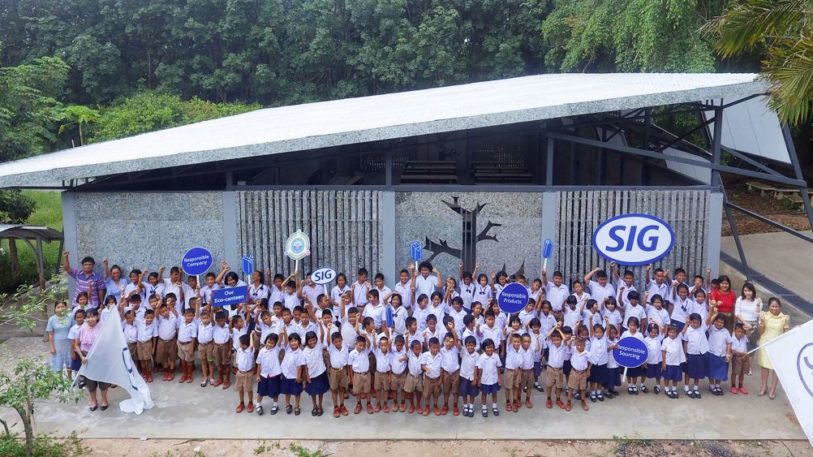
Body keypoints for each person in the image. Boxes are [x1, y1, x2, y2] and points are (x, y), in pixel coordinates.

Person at [75, 309, 109, 411]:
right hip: (87, 358)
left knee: (103, 381)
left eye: (93, 316)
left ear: (97, 317)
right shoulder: (82, 329)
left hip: (100, 358)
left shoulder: (103, 327)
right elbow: (76, 345)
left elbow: (108, 342)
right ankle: (93, 400)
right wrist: (82, 357)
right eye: (88, 317)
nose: (90, 319)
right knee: (90, 381)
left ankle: (104, 400)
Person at [757, 297, 790, 399]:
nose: (775, 308)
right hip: (765, 344)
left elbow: (786, 333)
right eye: (772, 306)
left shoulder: (785, 318)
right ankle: (763, 386)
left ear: (780, 307)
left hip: (778, 345)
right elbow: (760, 332)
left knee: (776, 368)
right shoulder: (764, 315)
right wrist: (761, 322)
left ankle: (773, 389)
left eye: (777, 306)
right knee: (765, 366)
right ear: (769, 306)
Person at [706, 310, 733, 396]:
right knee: (711, 371)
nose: (719, 323)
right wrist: (715, 314)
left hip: (722, 355)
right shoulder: (711, 328)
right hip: (712, 353)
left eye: (721, 322)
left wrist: (728, 354)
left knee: (720, 372)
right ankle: (711, 385)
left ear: (724, 324)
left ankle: (717, 385)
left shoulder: (726, 331)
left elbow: (729, 343)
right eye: (717, 321)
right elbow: (709, 322)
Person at [682, 313, 709, 399]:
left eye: (698, 323)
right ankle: (686, 387)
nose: (696, 325)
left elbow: (708, 320)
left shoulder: (702, 329)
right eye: (694, 322)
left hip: (700, 354)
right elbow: (685, 342)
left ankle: (696, 387)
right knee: (688, 371)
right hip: (690, 354)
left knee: (698, 371)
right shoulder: (688, 330)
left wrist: (712, 309)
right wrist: (685, 354)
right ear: (690, 322)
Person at [256, 333, 282, 416]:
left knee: (275, 391)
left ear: (275, 344)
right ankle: (258, 404)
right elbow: (259, 364)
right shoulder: (262, 351)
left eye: (272, 343)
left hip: (274, 375)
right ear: (265, 341)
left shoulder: (276, 349)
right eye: (268, 342)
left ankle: (275, 405)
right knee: (261, 391)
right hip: (263, 375)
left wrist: (282, 333)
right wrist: (257, 375)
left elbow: (280, 340)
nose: (270, 344)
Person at [475, 338, 502, 417]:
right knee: (484, 394)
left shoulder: (496, 356)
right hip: (484, 380)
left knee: (494, 393)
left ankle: (494, 407)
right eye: (488, 347)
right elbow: (480, 369)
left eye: (491, 347)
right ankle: (484, 407)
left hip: (494, 379)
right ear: (484, 349)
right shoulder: (482, 357)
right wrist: (479, 380)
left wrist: (499, 378)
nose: (490, 349)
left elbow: (498, 367)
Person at [281, 332, 306, 415]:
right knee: (287, 392)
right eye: (291, 341)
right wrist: (284, 332)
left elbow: (299, 366)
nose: (293, 343)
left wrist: (298, 377)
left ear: (299, 342)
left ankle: (297, 406)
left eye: (295, 341)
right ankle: (288, 405)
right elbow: (285, 340)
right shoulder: (288, 348)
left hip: (294, 377)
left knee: (297, 392)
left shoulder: (300, 353)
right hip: (286, 374)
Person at [47, 300, 73, 377]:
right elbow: (50, 334)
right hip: (57, 344)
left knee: (69, 361)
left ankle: (69, 378)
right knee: (58, 362)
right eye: (58, 307)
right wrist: (51, 347)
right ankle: (59, 380)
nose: (61, 308)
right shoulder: (52, 319)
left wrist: (74, 345)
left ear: (66, 307)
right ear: (55, 309)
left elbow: (74, 330)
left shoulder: (70, 317)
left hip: (68, 343)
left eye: (62, 307)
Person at [349, 335, 372, 414]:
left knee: (367, 390)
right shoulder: (352, 353)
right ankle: (359, 404)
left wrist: (366, 337)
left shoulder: (366, 350)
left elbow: (369, 344)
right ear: (356, 344)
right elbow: (350, 366)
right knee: (357, 391)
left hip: (366, 374)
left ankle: (368, 403)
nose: (362, 347)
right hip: (357, 375)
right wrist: (351, 377)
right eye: (360, 345)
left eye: (363, 345)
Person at [661, 325, 685, 399]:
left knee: (676, 377)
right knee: (667, 377)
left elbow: (683, 331)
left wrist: (687, 324)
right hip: (668, 362)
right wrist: (664, 362)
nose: (672, 334)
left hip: (677, 363)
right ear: (668, 332)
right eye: (670, 332)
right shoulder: (665, 340)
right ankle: (667, 389)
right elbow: (663, 352)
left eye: (674, 332)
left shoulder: (679, 339)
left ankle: (674, 389)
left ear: (677, 333)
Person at [420, 337, 443, 416]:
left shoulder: (440, 356)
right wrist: (425, 368)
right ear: (429, 347)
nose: (436, 349)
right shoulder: (425, 355)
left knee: (436, 394)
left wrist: (441, 379)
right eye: (434, 348)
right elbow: (422, 365)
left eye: (437, 347)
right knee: (427, 394)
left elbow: (441, 368)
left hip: (437, 379)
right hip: (428, 379)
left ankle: (435, 406)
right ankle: (427, 407)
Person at [458, 335, 480, 418]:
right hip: (464, 376)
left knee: (472, 393)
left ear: (475, 345)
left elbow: (476, 367)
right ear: (465, 346)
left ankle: (471, 406)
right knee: (464, 393)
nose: (470, 347)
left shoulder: (477, 355)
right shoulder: (463, 352)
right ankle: (465, 406)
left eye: (471, 345)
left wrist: (475, 378)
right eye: (468, 345)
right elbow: (458, 344)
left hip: (472, 377)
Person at [568, 337, 591, 412]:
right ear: (576, 345)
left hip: (583, 373)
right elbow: (568, 346)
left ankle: (583, 401)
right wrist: (571, 340)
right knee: (571, 387)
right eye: (578, 345)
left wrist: (588, 370)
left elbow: (592, 361)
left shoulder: (587, 353)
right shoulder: (574, 350)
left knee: (582, 388)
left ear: (584, 345)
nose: (579, 347)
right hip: (574, 371)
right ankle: (569, 402)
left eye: (581, 345)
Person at [234, 333, 255, 413]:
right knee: (240, 389)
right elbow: (237, 361)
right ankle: (241, 402)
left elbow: (252, 345)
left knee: (249, 389)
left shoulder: (250, 350)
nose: (241, 345)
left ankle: (250, 402)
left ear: (247, 344)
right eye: (240, 343)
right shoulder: (239, 350)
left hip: (248, 373)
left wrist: (251, 335)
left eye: (242, 344)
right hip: (239, 372)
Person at [730, 323, 751, 395]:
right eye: (738, 331)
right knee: (735, 372)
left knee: (742, 373)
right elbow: (733, 351)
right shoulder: (732, 338)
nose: (740, 334)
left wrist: (747, 330)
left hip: (744, 357)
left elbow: (749, 336)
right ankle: (733, 386)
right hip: (736, 358)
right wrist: (743, 354)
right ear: (734, 330)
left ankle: (740, 386)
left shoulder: (744, 337)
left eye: (742, 332)